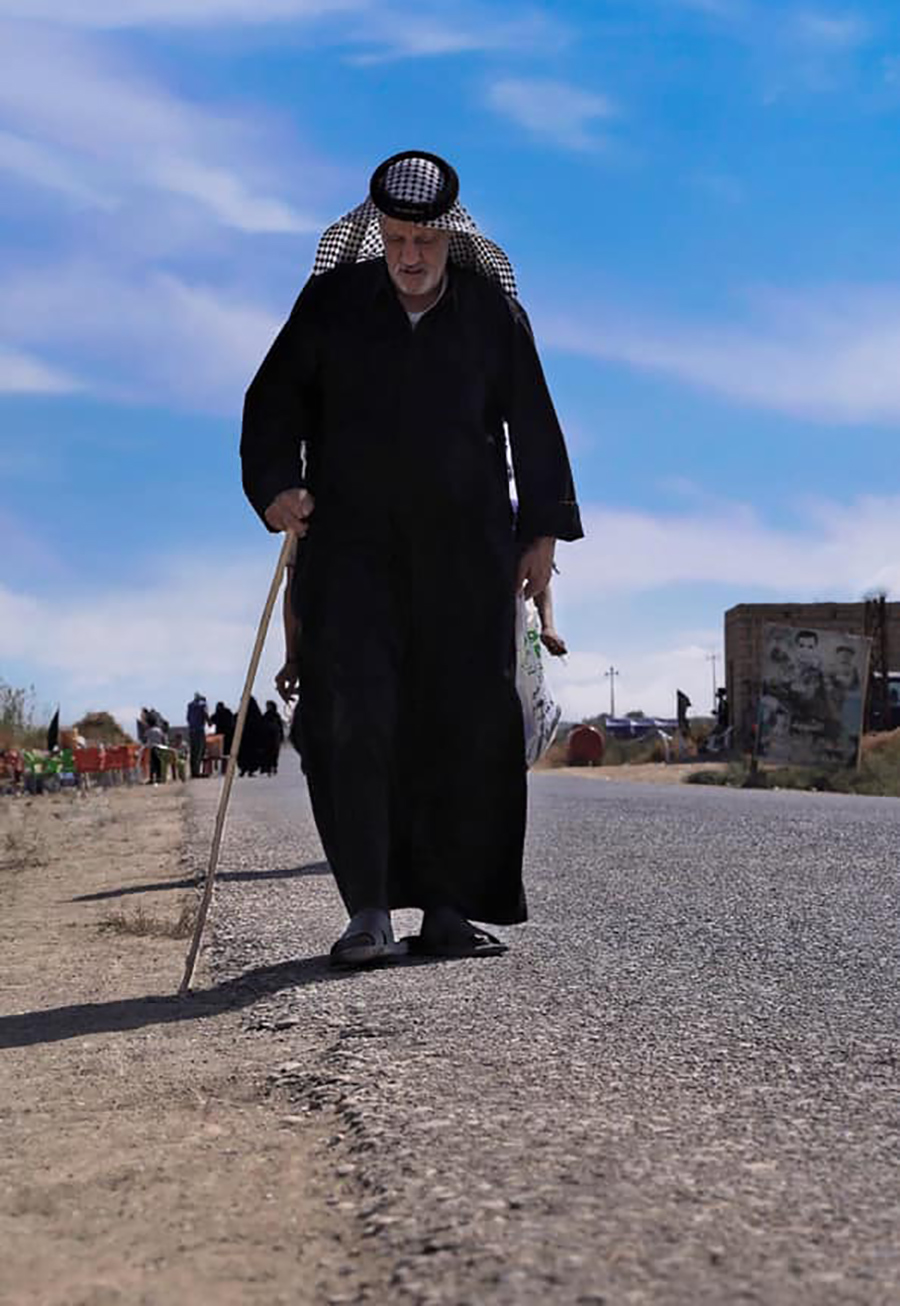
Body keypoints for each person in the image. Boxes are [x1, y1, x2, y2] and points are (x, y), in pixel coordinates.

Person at [242, 150, 582, 967]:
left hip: (467, 556)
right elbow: (271, 402)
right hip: (350, 554)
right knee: (354, 717)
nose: (409, 256)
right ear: (379, 235)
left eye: (424, 241)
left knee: (464, 723)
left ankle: (449, 911)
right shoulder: (331, 304)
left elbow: (534, 424)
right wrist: (277, 487)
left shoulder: (490, 313)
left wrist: (541, 537)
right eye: (395, 239)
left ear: (449, 238)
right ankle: (368, 910)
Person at [186, 692, 209, 779]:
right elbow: (205, 714)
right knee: (200, 751)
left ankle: (193, 771)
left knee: (193, 751)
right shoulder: (202, 705)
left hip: (191, 730)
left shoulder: (190, 705)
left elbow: (188, 718)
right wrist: (209, 722)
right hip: (199, 730)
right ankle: (197, 771)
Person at [261, 700, 285, 775]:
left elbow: (280, 727)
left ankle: (273, 767)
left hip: (274, 736)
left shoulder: (276, 716)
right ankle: (268, 768)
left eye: (269, 706)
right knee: (268, 753)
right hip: (268, 737)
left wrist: (281, 736)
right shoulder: (266, 715)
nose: (267, 707)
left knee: (274, 753)